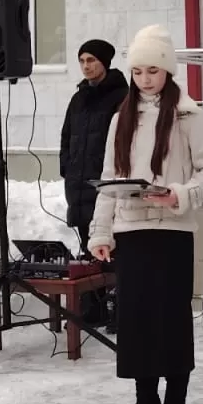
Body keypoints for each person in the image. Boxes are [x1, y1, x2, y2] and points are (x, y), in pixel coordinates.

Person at [89, 26, 203, 404]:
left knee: (171, 322)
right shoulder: (120, 118)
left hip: (172, 231)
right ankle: (145, 403)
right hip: (132, 232)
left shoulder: (189, 116)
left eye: (153, 71)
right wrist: (101, 232)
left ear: (168, 71)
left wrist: (178, 194)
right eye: (138, 71)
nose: (145, 79)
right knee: (136, 323)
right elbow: (109, 177)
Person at [60, 39, 127, 255]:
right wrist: (67, 168)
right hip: (79, 188)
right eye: (81, 61)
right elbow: (66, 137)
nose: (86, 66)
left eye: (91, 60)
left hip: (105, 186)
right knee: (89, 253)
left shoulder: (122, 97)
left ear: (104, 62)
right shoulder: (78, 99)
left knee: (112, 254)